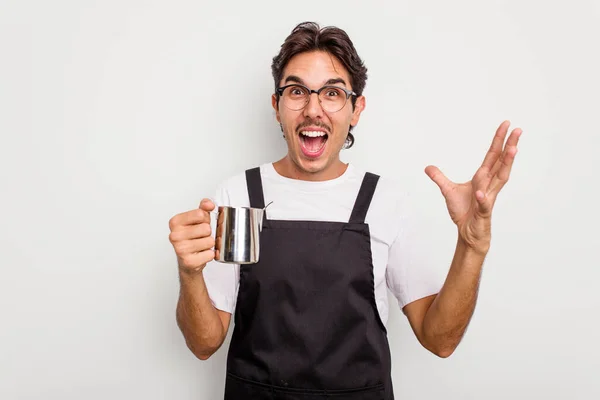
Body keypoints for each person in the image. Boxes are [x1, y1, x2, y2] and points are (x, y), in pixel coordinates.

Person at [168, 21, 521, 399]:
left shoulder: (387, 201)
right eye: (297, 91)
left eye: (332, 93)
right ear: (276, 106)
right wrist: (189, 273)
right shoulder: (237, 195)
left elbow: (439, 340)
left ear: (356, 109)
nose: (313, 109)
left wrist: (471, 245)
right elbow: (204, 344)